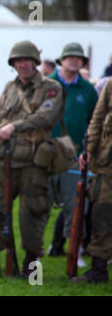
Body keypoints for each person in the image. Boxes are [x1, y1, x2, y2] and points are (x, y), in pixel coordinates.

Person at [0, 40, 64, 277]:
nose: (22, 64)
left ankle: (30, 269)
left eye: (26, 60)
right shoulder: (9, 88)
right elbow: (0, 119)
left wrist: (12, 127)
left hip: (32, 162)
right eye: (17, 61)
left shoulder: (52, 88)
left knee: (32, 213)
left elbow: (45, 118)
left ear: (35, 62)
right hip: (3, 160)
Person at [46, 43, 98, 257]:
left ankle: (75, 254)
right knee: (40, 205)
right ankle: (36, 253)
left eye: (79, 58)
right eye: (70, 57)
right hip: (46, 154)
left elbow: (94, 122)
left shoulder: (88, 90)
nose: (74, 60)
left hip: (75, 158)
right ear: (62, 60)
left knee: (76, 207)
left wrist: (88, 151)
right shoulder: (48, 85)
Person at [74, 78, 112, 283]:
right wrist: (89, 150)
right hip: (107, 165)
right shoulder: (111, 86)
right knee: (102, 215)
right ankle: (98, 270)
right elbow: (97, 119)